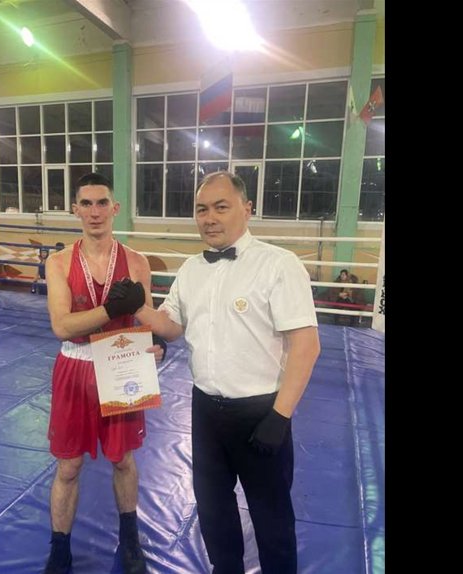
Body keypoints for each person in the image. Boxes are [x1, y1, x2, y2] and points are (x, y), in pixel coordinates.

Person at [125, 171, 321, 573]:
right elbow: (172, 326)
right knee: (214, 510)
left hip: (261, 411)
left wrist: (280, 415)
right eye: (202, 209)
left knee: (271, 517)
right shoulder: (191, 269)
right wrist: (138, 307)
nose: (209, 218)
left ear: (247, 210)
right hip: (205, 410)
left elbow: (306, 344)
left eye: (220, 207)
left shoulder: (278, 265)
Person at [42, 172, 164, 574]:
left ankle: (130, 542)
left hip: (121, 365)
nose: (95, 212)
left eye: (102, 203)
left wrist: (158, 344)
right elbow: (62, 326)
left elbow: (145, 320)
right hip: (75, 366)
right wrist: (111, 309)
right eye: (86, 203)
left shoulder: (137, 262)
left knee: (123, 460)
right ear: (75, 210)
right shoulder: (59, 262)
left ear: (115, 208)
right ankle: (60, 550)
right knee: (69, 466)